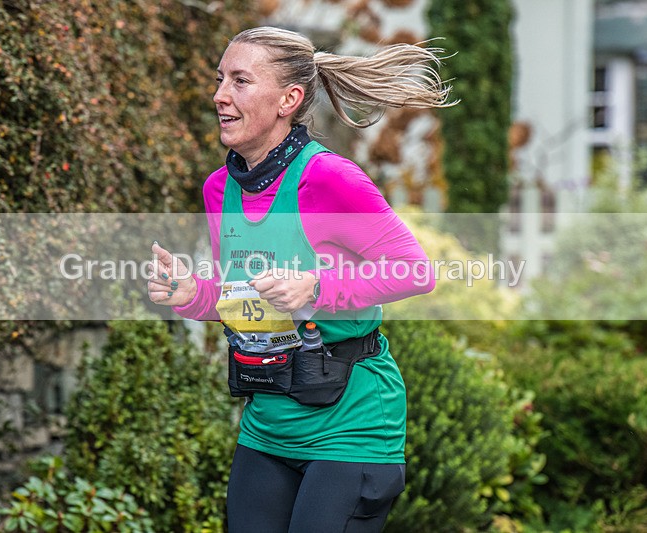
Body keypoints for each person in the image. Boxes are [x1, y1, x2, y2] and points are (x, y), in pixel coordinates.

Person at [148, 26, 451, 533]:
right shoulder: (220, 189)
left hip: (350, 425)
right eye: (221, 79)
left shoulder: (331, 180)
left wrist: (316, 288)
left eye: (241, 81)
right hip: (268, 423)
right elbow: (244, 300)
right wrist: (195, 295)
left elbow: (414, 271)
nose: (220, 95)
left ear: (288, 99)